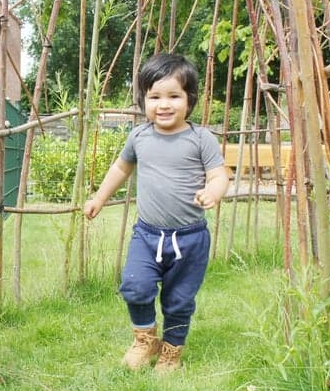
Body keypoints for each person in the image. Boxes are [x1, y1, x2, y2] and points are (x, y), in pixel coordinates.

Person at [83, 53, 230, 373]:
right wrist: (98, 198)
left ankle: (171, 351)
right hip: (147, 235)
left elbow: (220, 174)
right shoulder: (139, 137)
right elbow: (120, 169)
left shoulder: (200, 138)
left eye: (174, 96)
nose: (164, 105)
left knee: (179, 300)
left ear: (189, 100)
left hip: (190, 239)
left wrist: (213, 191)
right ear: (143, 100)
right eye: (155, 97)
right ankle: (145, 339)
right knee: (135, 285)